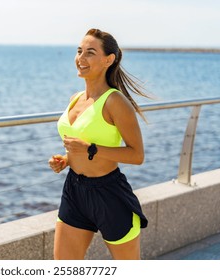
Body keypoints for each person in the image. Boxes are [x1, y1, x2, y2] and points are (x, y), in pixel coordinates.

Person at [48, 28, 149, 260]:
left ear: (108, 60)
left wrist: (90, 149)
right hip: (74, 190)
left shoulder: (115, 101)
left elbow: (137, 155)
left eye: (90, 53)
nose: (81, 59)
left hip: (109, 195)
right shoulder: (75, 98)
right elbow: (80, 146)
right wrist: (65, 160)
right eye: (79, 51)